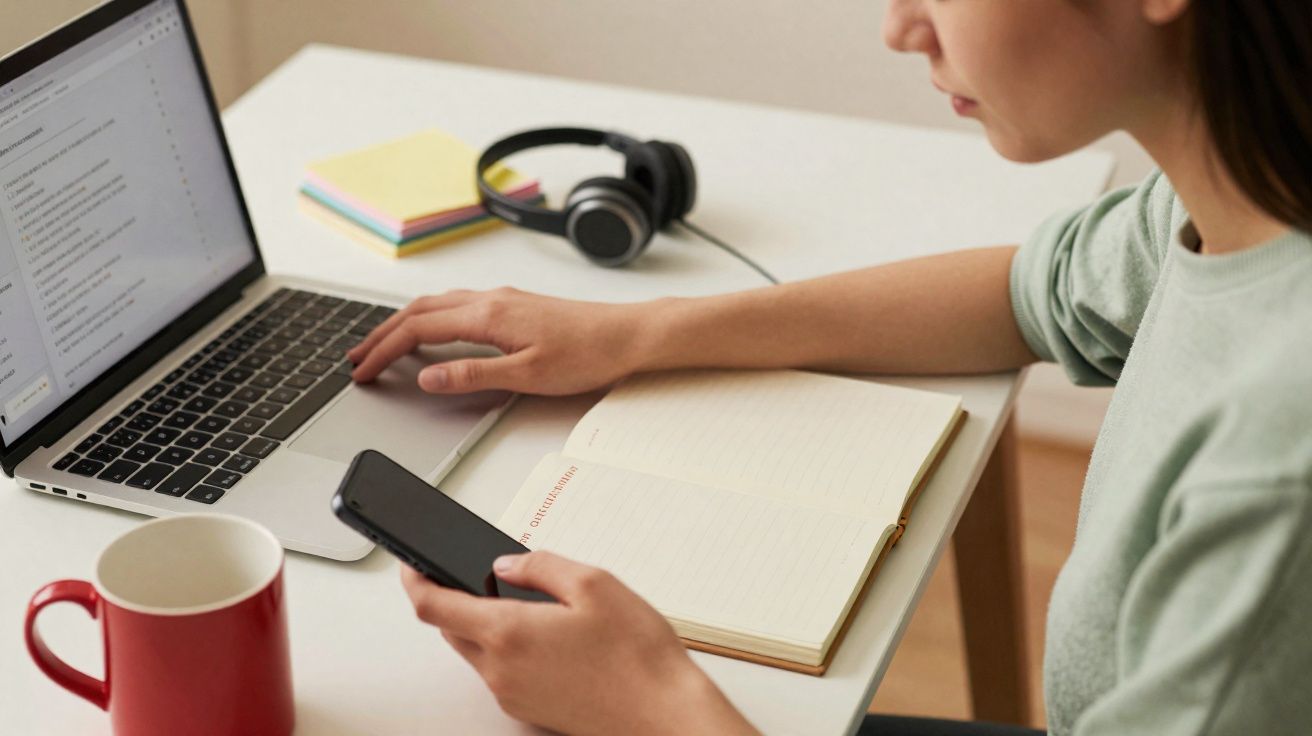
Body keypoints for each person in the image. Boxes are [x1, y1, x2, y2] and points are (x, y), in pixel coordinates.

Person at [347, 0, 1312, 733]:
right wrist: (638, 335)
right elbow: (1027, 293)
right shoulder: (1245, 188)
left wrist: (658, 703)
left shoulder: (1279, 464)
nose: (899, 28)